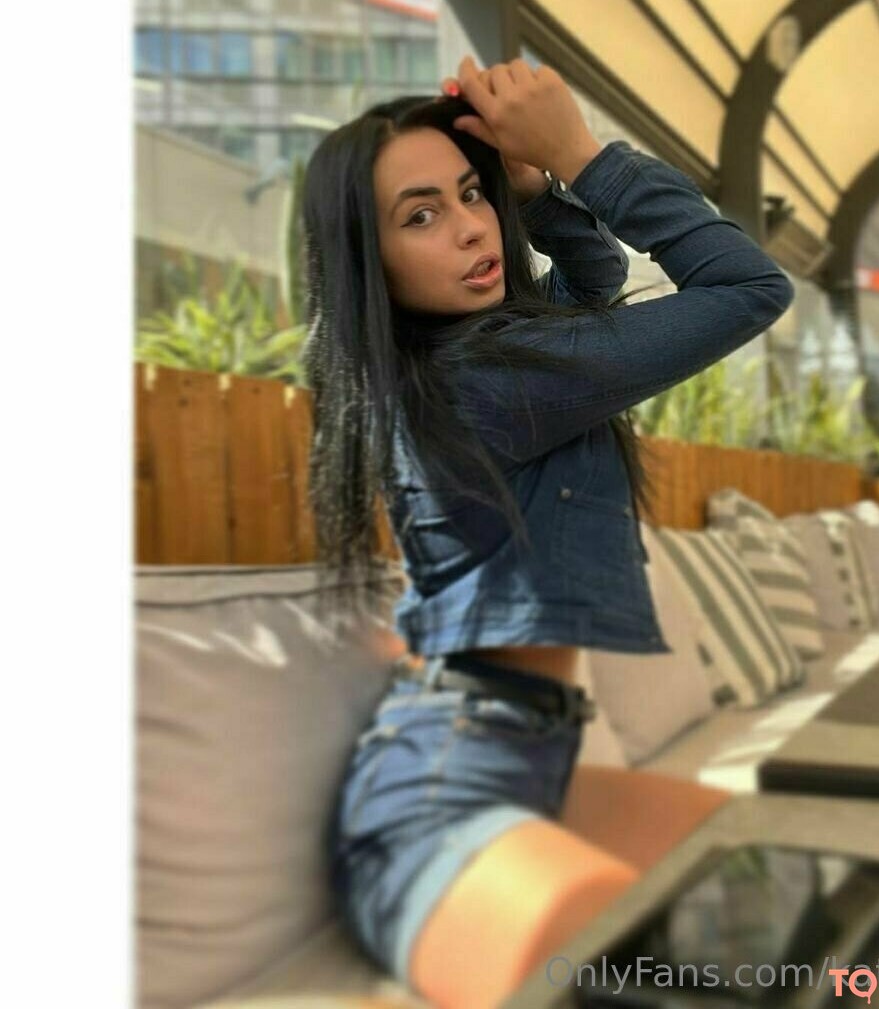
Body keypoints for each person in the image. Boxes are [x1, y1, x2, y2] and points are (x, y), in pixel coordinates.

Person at [302, 54, 795, 1008]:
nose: (472, 226)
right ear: (371, 260)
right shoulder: (487, 378)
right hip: (433, 804)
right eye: (421, 216)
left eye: (471, 194)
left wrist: (535, 191)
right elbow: (747, 287)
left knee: (797, 903)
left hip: (530, 758)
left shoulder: (486, 360)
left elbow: (593, 278)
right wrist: (580, 153)